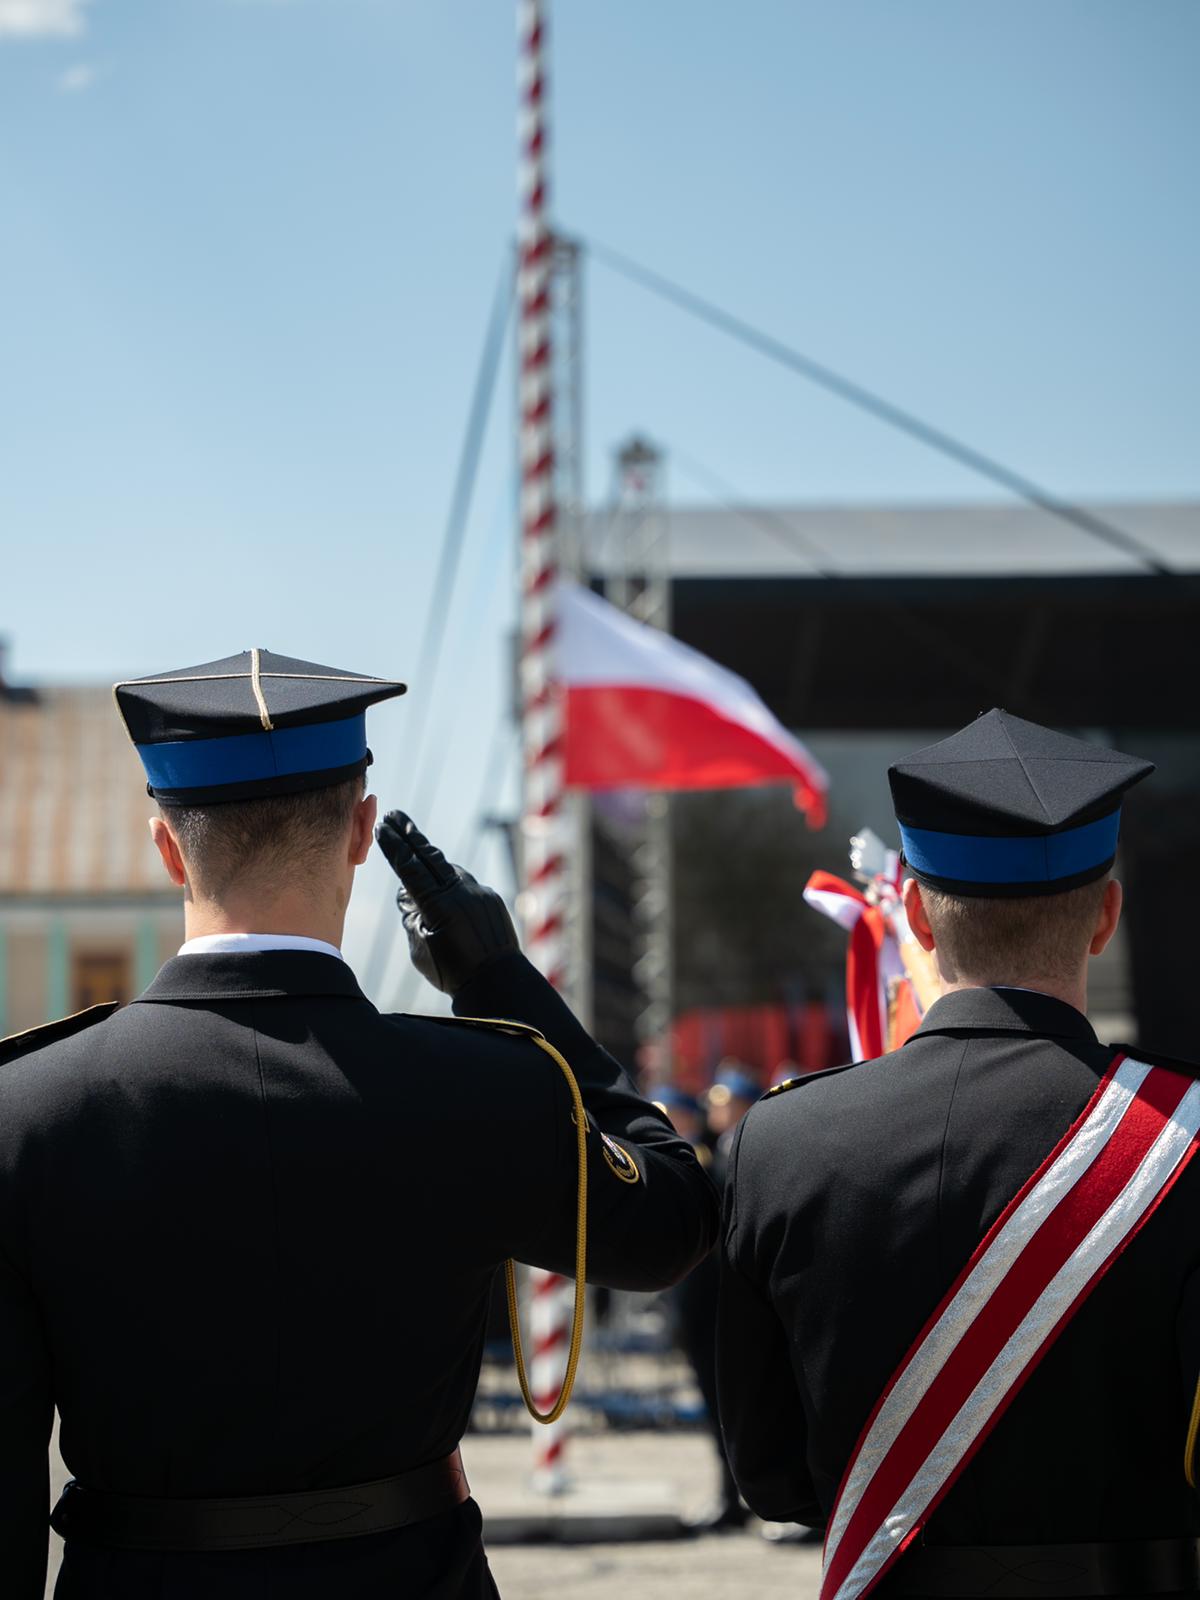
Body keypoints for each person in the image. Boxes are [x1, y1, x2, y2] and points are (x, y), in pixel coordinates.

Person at [0, 648, 719, 1600]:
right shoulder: (485, 1087)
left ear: (167, 847)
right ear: (361, 830)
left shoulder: (27, 1109)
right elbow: (674, 1216)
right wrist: (501, 981)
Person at [717, 709, 1200, 1600]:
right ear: (1106, 917)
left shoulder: (778, 1144)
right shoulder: (1184, 1136)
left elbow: (771, 1479)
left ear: (915, 916)